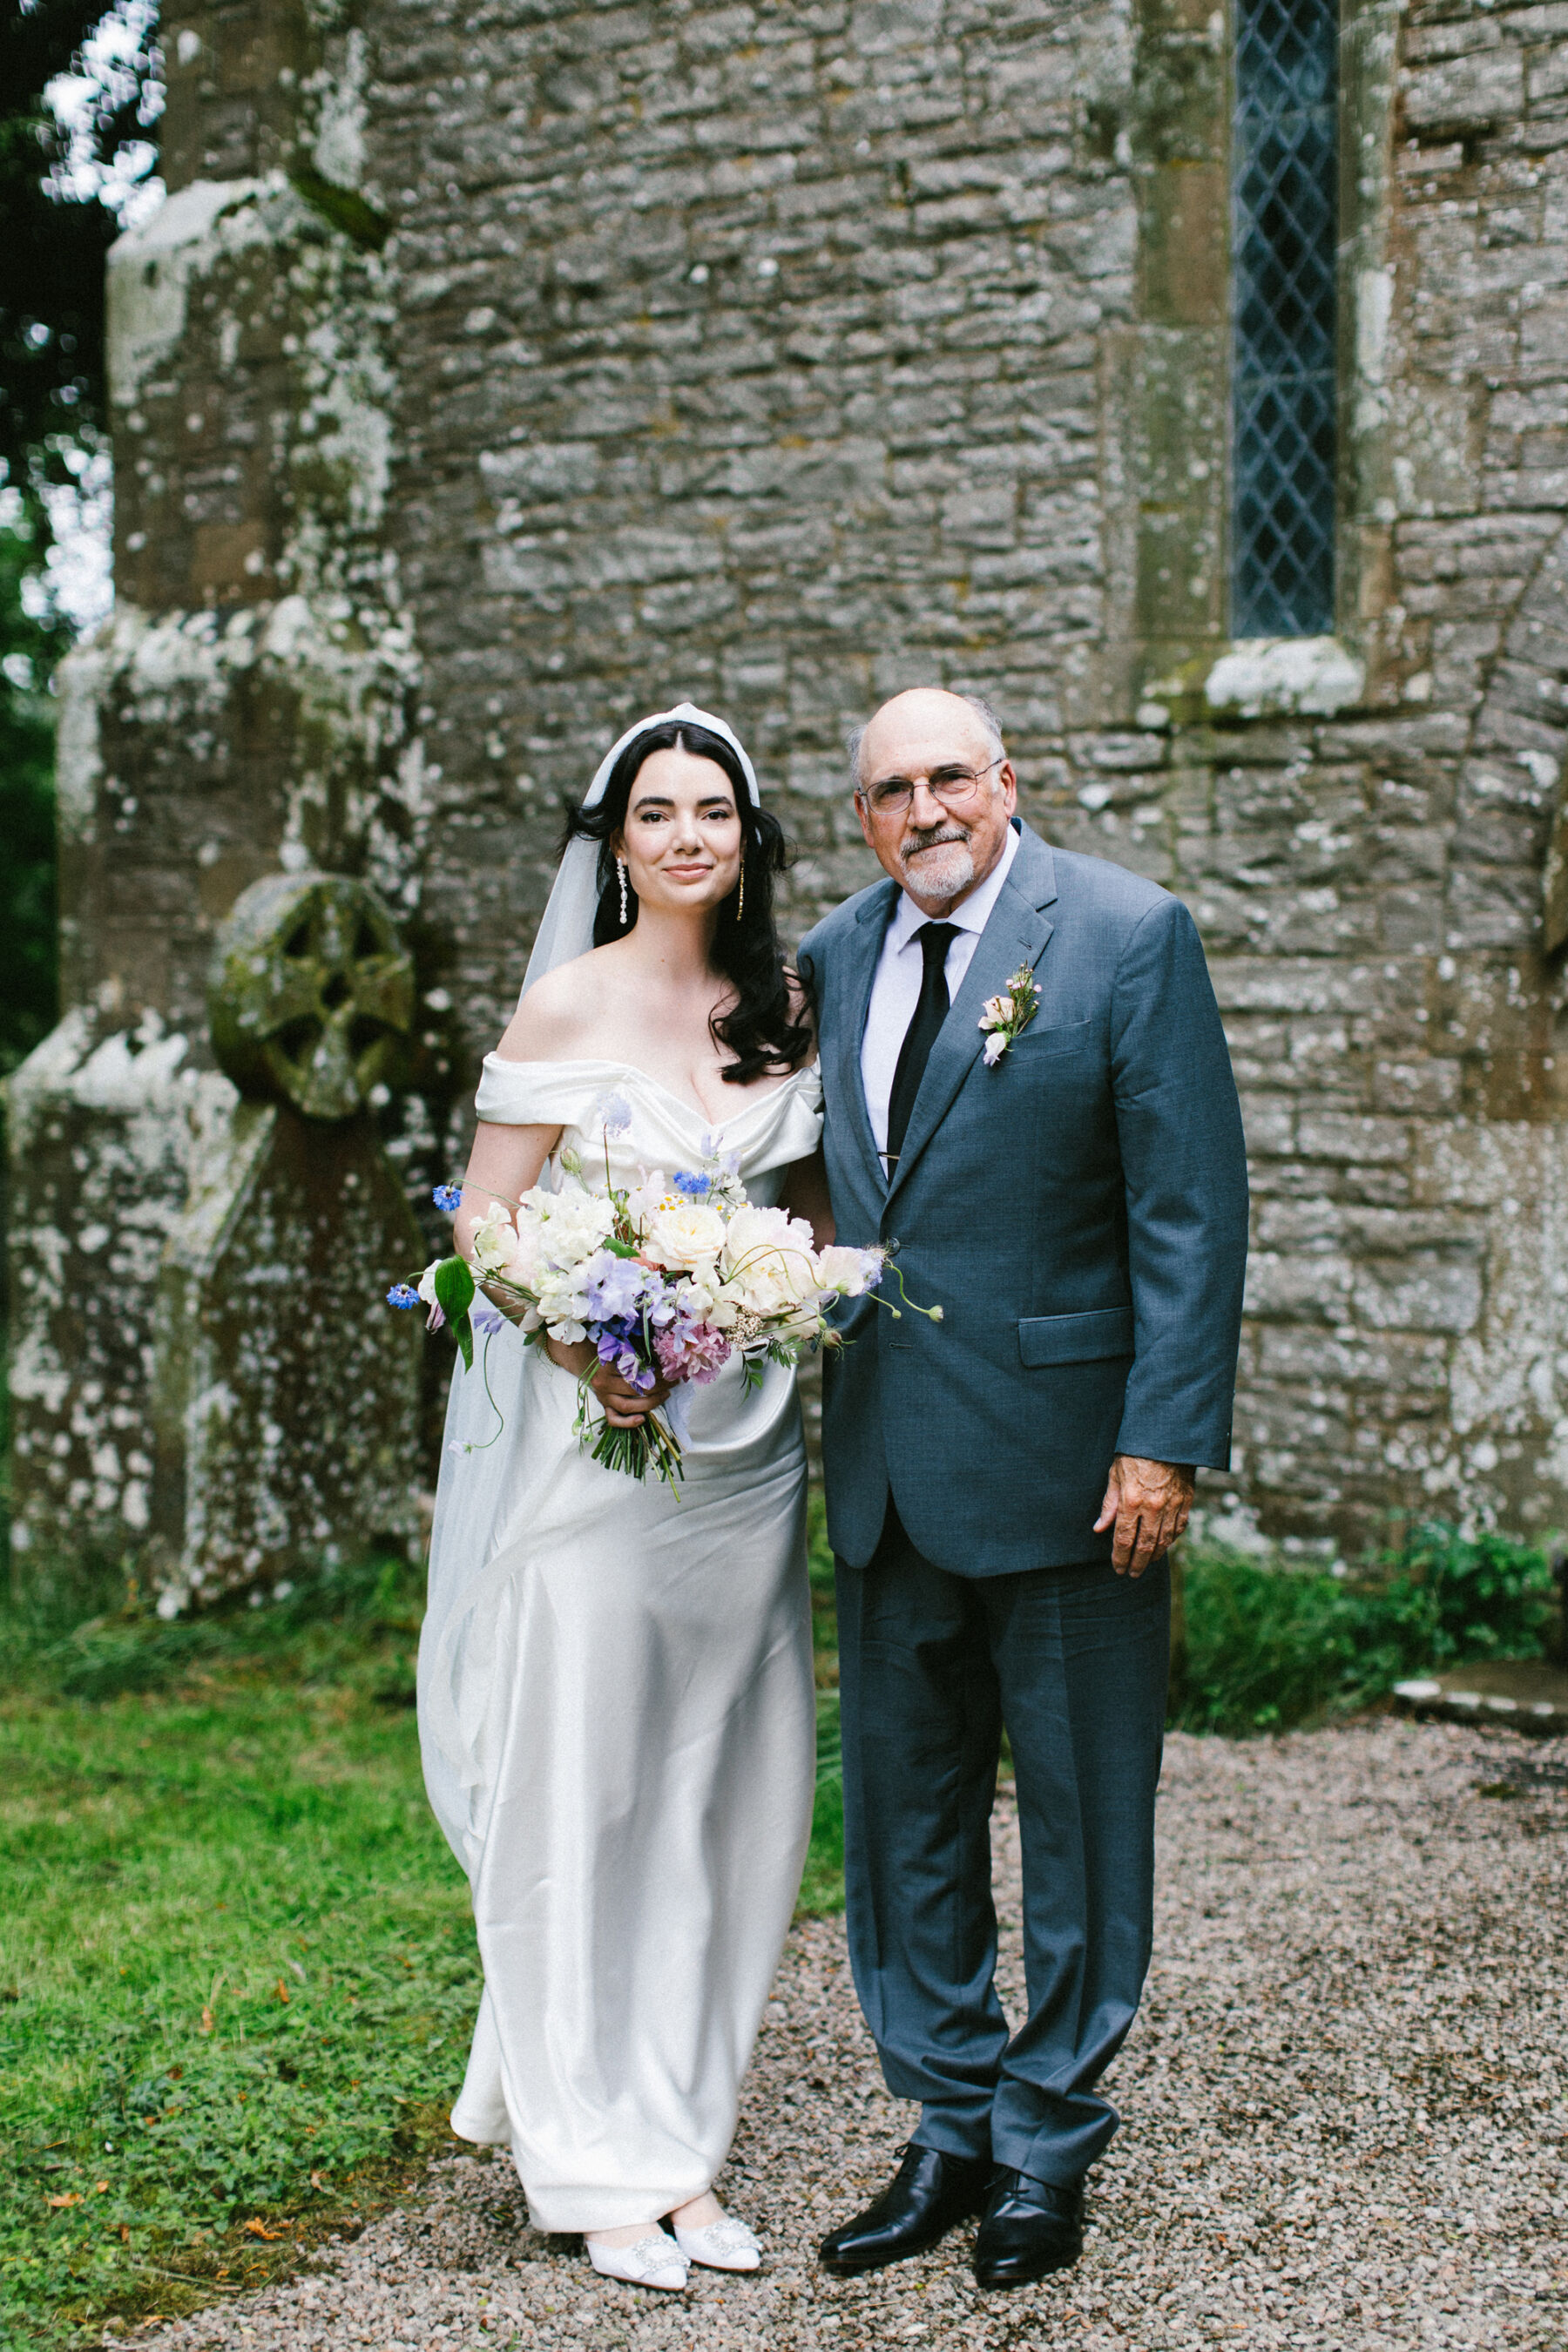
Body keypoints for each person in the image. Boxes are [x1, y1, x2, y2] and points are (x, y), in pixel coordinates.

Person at [795, 687, 1249, 2291]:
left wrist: (1163, 1440)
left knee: (1077, 1823)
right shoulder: (834, 956)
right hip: (886, 1475)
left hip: (1075, 1472)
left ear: (1006, 784)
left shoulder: (1127, 935)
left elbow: (1189, 1212)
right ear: (863, 815)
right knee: (908, 1830)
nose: (921, 811)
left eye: (947, 781)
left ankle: (1049, 2140)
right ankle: (948, 2120)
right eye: (887, 791)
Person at [416, 705, 829, 2294]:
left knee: (725, 1800)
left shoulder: (781, 1002)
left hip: (744, 1466)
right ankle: (589, 2156)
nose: (684, 837)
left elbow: (803, 1214)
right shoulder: (566, 999)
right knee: (585, 1785)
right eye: (653, 812)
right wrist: (589, 1343)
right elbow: (486, 1226)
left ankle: (679, 2141)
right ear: (616, 841)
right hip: (602, 1452)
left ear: (746, 833)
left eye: (711, 810)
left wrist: (773, 1292)